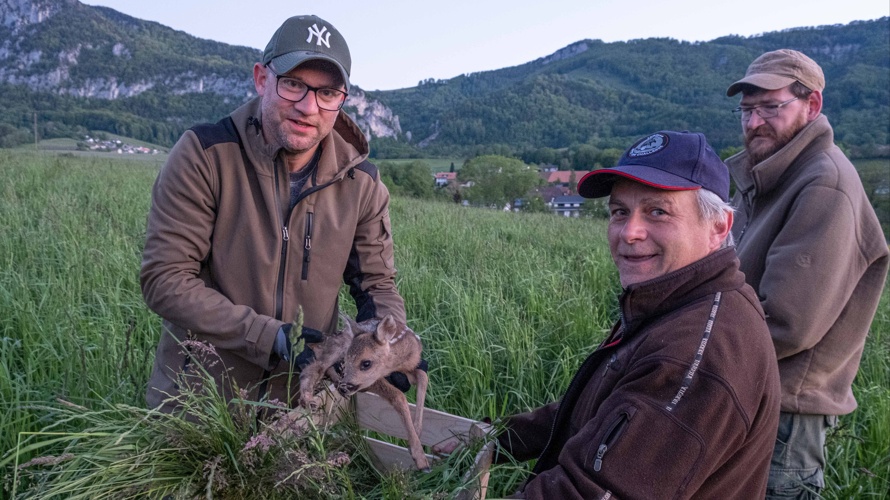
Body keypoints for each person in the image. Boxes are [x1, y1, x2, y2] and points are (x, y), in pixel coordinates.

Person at [456, 131, 781, 498]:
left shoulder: (694, 355)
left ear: (718, 227)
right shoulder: (674, 300)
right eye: (619, 212)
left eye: (658, 211)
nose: (629, 232)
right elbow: (598, 413)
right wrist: (493, 439)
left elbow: (591, 493)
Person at [140, 15, 409, 413]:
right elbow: (165, 279)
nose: (308, 107)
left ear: (342, 100)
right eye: (293, 84)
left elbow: (377, 285)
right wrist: (270, 337)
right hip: (199, 405)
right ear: (262, 79)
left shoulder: (362, 183)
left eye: (327, 93)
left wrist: (393, 342)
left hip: (304, 411)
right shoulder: (205, 155)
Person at [724, 49, 889, 498]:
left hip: (785, 413)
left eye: (770, 107)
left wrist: (693, 350)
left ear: (812, 105)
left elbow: (786, 324)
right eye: (746, 111)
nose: (754, 122)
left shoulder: (824, 184)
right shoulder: (769, 174)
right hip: (748, 391)